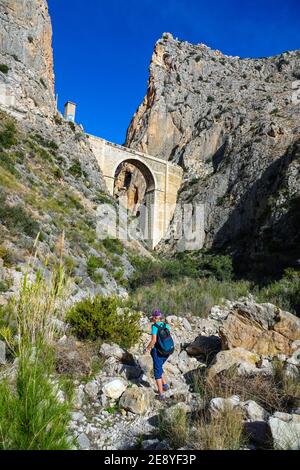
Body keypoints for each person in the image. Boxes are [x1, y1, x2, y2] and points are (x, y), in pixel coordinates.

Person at [144, 310, 171, 400]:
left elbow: (154, 340)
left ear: (156, 318)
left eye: (153, 318)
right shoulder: (166, 325)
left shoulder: (154, 327)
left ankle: (161, 394)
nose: (152, 319)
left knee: (157, 373)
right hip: (168, 350)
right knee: (160, 366)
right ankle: (165, 385)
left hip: (159, 351)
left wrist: (147, 349)